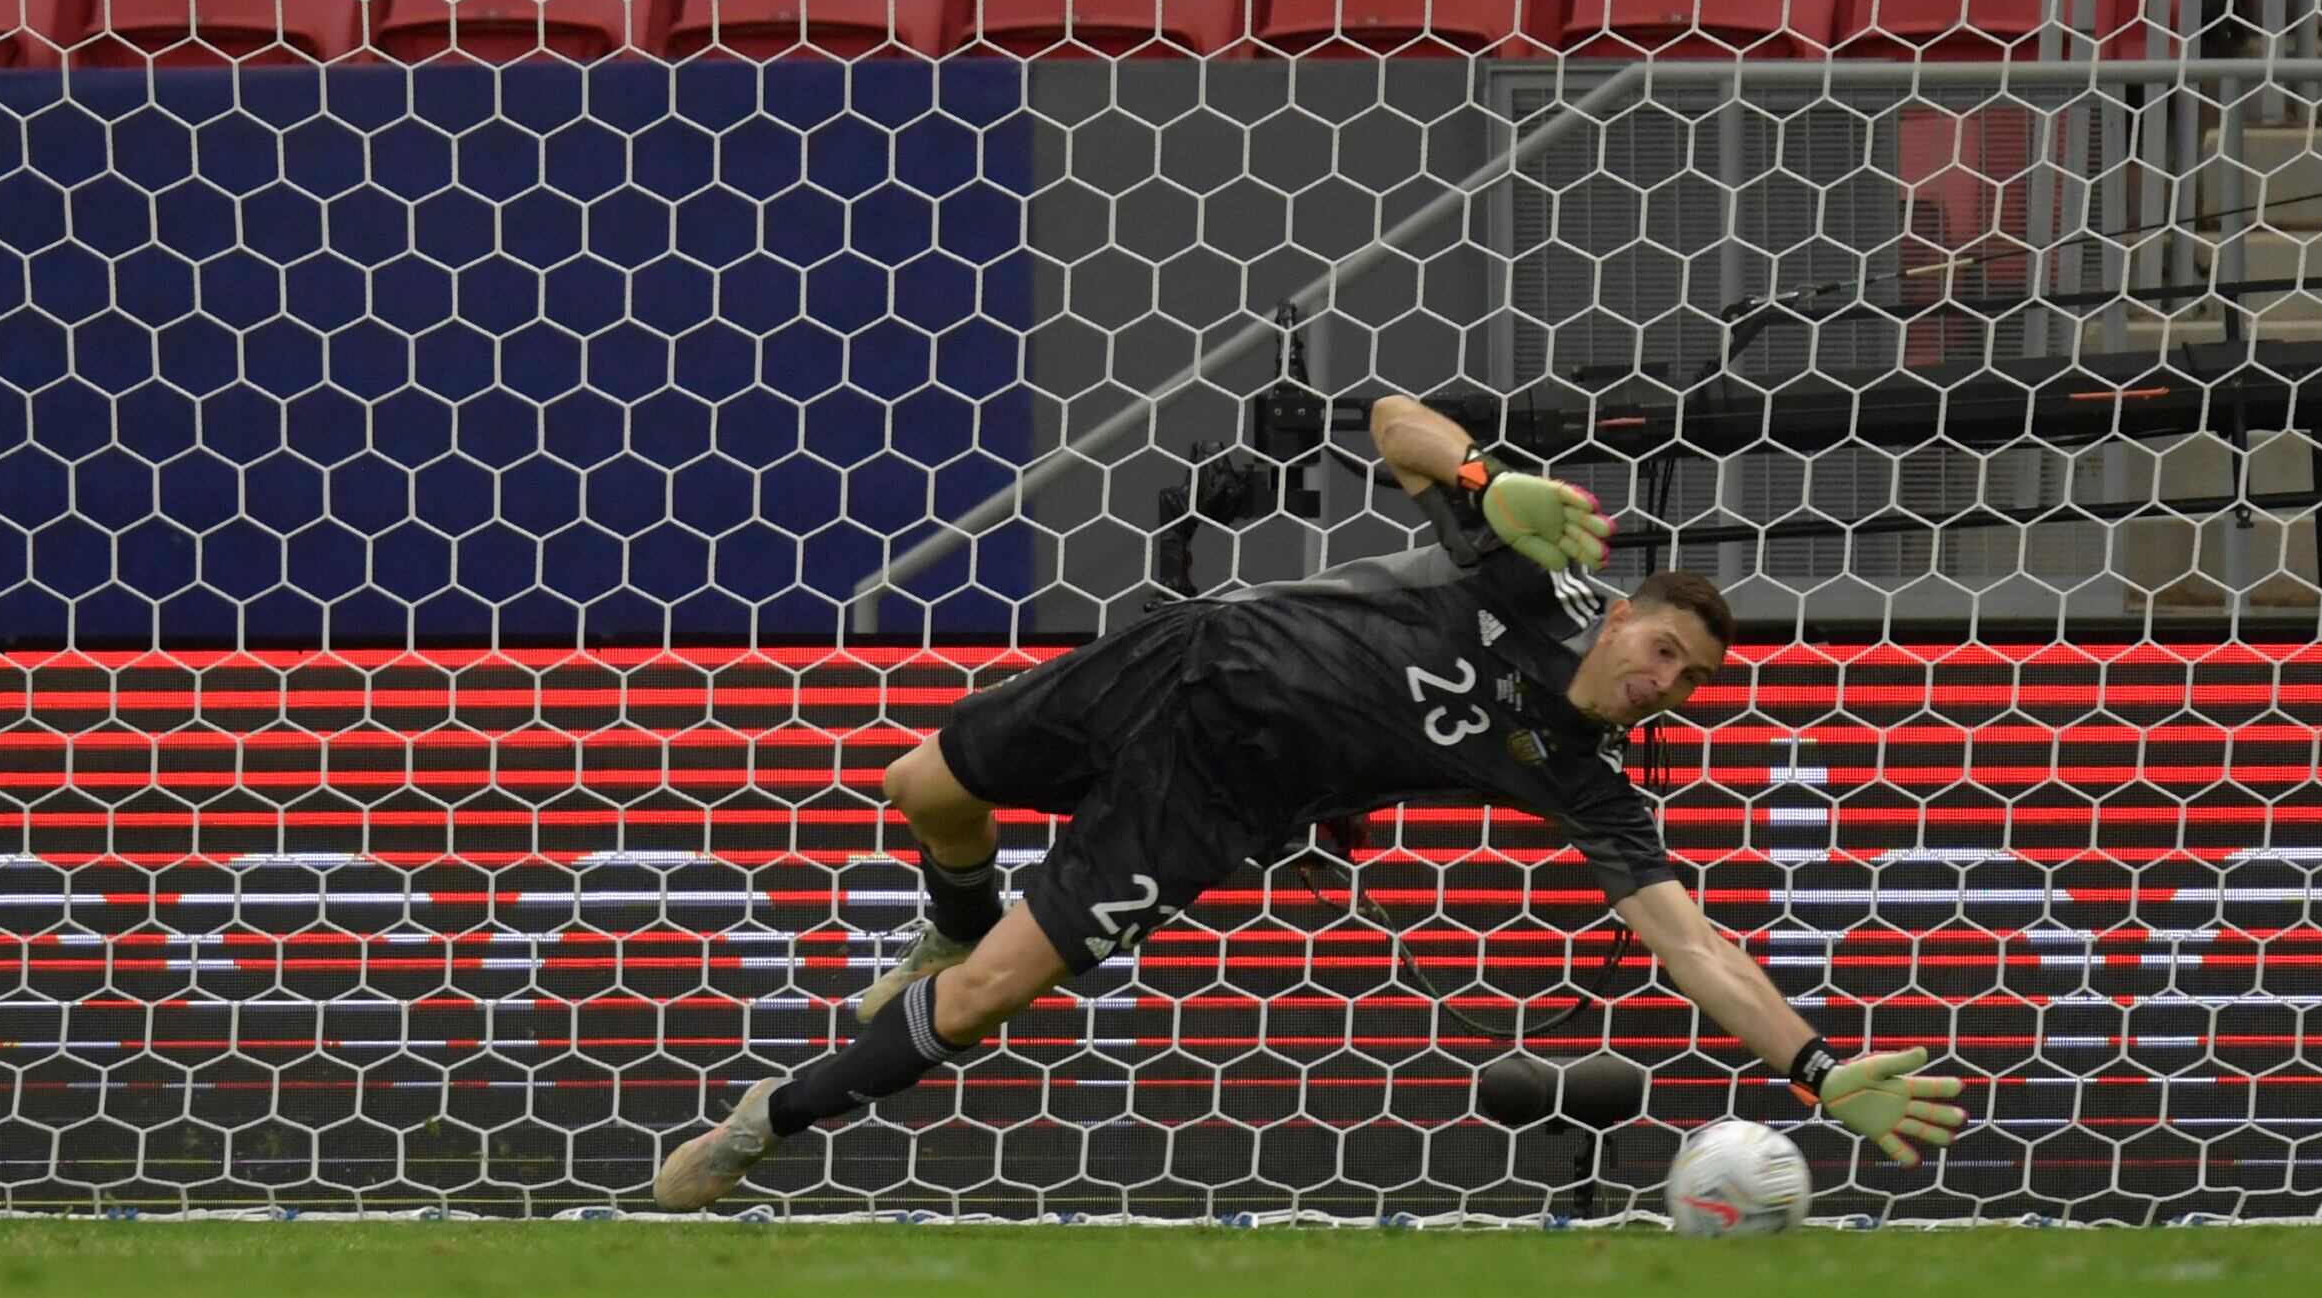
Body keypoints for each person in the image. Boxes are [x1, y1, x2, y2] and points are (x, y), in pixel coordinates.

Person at [655, 395, 1967, 1209]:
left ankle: (761, 1124)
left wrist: (1816, 1062)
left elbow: (1690, 943)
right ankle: (946, 913)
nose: (1661, 685)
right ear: (1623, 614)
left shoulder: (1583, 775)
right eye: (1663, 652)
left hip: (1222, 791)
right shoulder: (1530, 575)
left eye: (1686, 682)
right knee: (920, 787)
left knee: (999, 991)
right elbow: (1394, 419)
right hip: (1176, 659)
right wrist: (1483, 478)